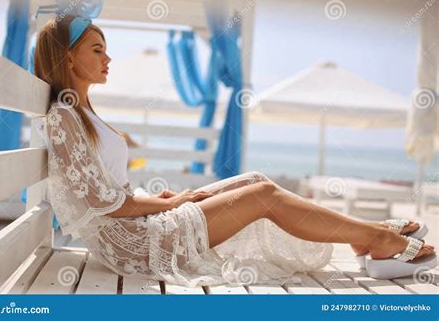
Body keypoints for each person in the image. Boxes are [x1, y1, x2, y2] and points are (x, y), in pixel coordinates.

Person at [34, 14, 436, 287]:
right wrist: (174, 203)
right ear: (68, 56)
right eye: (97, 50)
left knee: (256, 181)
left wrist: (153, 198)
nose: (108, 58)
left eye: (105, 49)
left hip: (135, 225)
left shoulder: (83, 111)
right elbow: (98, 202)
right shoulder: (64, 117)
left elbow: (112, 191)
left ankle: (365, 237)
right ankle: (376, 237)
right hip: (128, 243)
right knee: (263, 196)